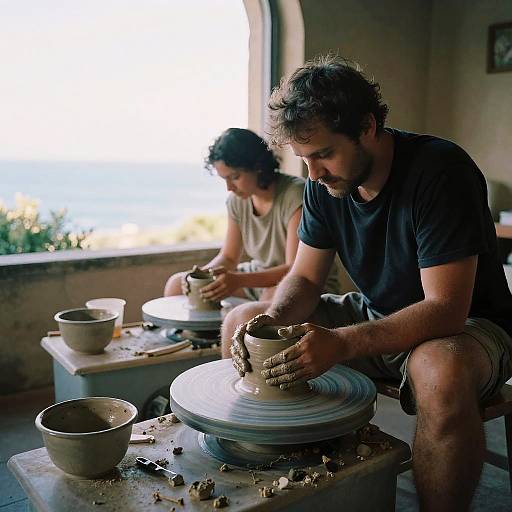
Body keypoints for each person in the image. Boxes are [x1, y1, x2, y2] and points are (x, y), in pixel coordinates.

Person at [222, 57, 512, 512]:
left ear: (368, 126)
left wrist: (339, 343)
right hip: (378, 313)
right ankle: (279, 486)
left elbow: (445, 310)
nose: (313, 173)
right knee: (245, 320)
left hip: (467, 328)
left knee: (439, 370)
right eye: (303, 159)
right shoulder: (323, 186)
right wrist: (273, 319)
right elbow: (303, 277)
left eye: (323, 154)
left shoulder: (440, 171)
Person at [164, 128, 339, 304]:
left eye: (235, 177)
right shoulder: (237, 201)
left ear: (257, 167)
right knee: (176, 285)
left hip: (303, 283)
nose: (229, 188)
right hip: (258, 277)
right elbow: (229, 258)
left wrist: (238, 280)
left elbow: (294, 269)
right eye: (224, 179)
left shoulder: (295, 195)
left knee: (269, 300)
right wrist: (200, 275)